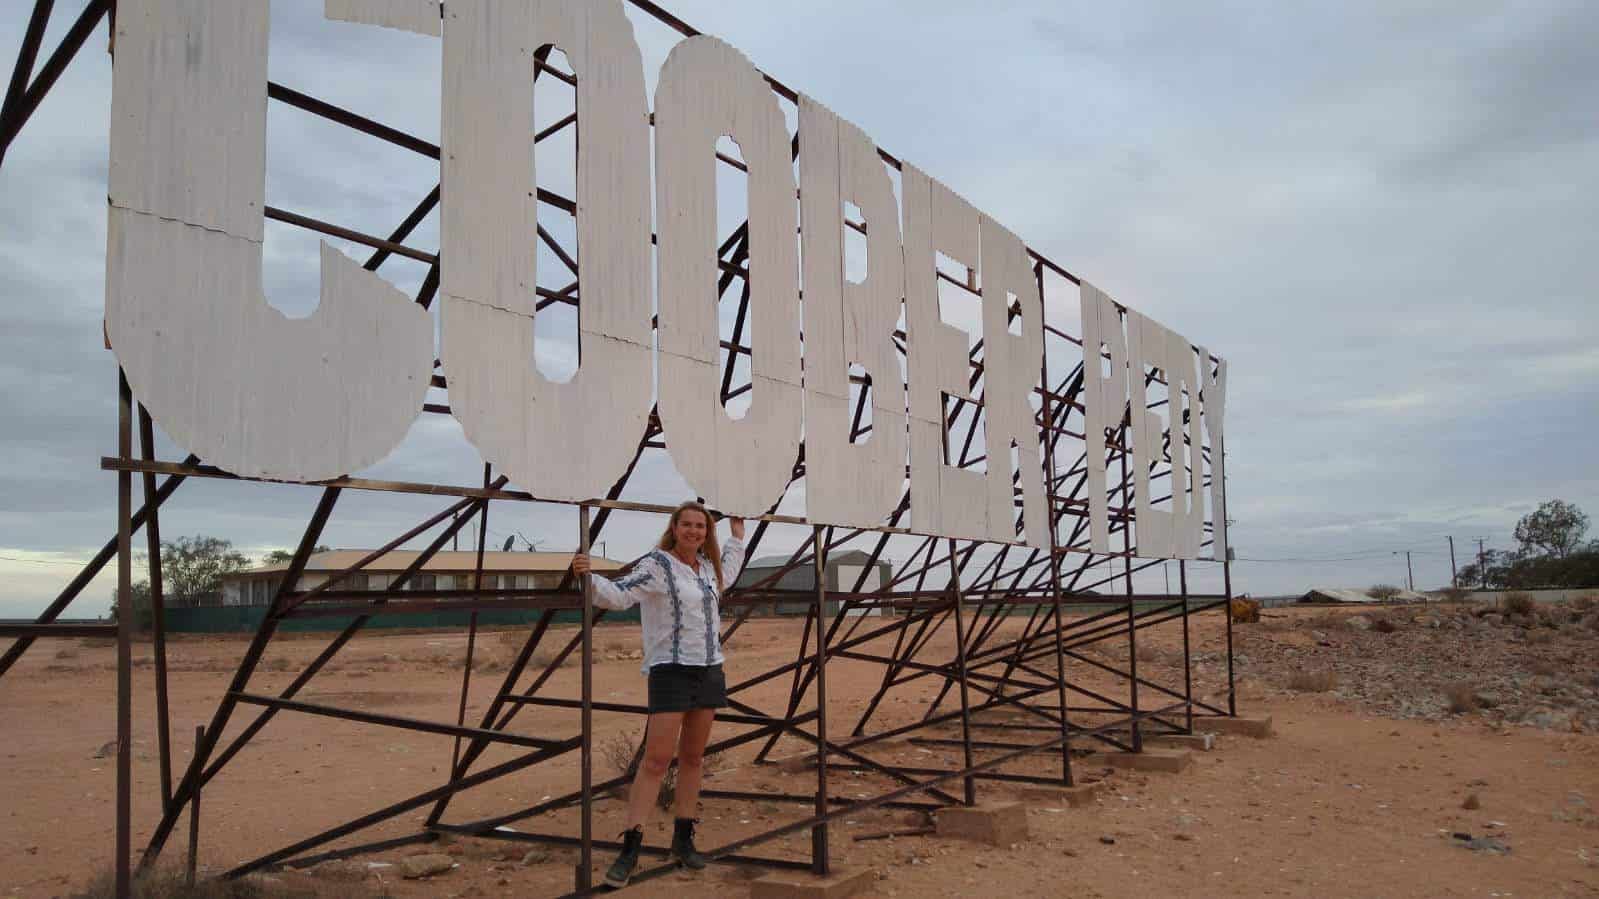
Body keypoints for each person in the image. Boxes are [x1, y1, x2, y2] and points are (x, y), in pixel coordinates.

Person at [572, 500, 747, 887]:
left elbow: (730, 573)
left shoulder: (708, 568)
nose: (694, 531)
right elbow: (619, 596)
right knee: (656, 761)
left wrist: (737, 537)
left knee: (694, 758)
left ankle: (683, 841)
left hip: (709, 669)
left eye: (700, 526)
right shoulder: (656, 564)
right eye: (687, 525)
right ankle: (630, 849)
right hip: (671, 671)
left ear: (707, 532)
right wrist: (588, 576)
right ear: (674, 528)